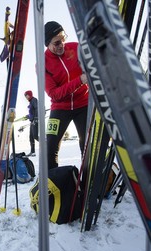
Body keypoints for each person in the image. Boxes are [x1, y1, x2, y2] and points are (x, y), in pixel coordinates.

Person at [44, 21, 89, 169]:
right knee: (50, 147)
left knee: (88, 145)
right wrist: (80, 80)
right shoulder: (43, 63)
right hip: (59, 108)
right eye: (56, 42)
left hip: (83, 104)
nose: (62, 44)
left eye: (63, 38)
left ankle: (89, 182)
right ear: (47, 44)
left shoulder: (76, 48)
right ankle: (51, 184)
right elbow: (54, 94)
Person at [23, 90, 39, 157]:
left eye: (27, 95)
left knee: (35, 136)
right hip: (32, 121)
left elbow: (37, 109)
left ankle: (46, 143)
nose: (26, 97)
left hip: (35, 121)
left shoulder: (34, 100)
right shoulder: (30, 102)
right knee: (31, 137)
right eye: (25, 96)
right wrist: (28, 116)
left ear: (30, 94)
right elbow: (32, 112)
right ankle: (32, 152)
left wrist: (36, 118)